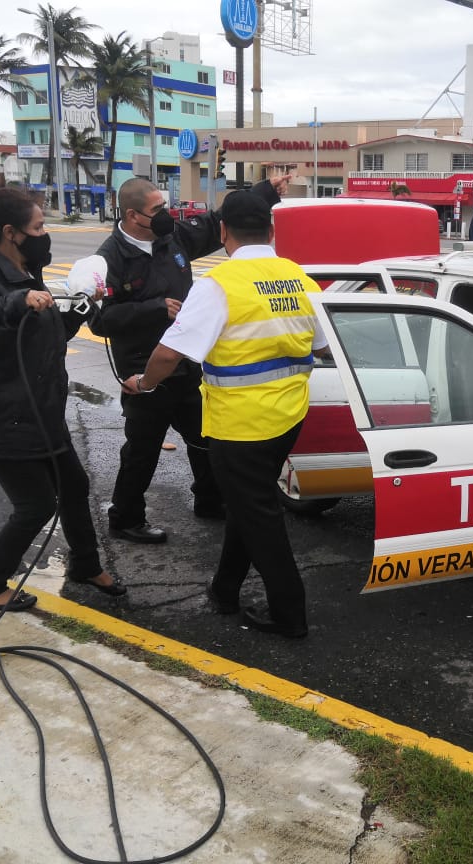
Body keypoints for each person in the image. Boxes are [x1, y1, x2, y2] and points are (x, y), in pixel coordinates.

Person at [120, 191, 329, 638]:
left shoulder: (220, 284)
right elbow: (322, 346)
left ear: (223, 232)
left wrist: (144, 385)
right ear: (271, 232)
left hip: (241, 426)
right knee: (247, 505)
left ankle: (289, 614)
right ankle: (225, 590)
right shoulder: (300, 278)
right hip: (288, 416)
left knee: (258, 513)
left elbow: (168, 353)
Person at [0, 187, 126, 611]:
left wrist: (80, 309)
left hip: (38, 413)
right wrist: (12, 304)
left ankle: (85, 565)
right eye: (39, 227)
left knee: (74, 486)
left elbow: (47, 335)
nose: (46, 234)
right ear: (11, 232)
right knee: (36, 504)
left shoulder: (24, 272)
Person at [91, 178, 225, 544]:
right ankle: (126, 518)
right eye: (157, 210)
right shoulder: (108, 259)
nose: (165, 216)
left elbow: (214, 226)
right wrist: (154, 309)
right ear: (133, 215)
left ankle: (210, 501)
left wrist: (266, 191)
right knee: (142, 449)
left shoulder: (171, 238)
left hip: (185, 362)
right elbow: (99, 320)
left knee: (204, 438)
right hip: (143, 369)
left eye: (165, 206)